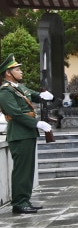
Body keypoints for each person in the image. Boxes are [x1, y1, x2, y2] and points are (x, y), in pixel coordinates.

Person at [0, 55, 53, 214]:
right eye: (17, 69)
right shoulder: (5, 91)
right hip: (19, 133)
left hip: (27, 133)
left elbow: (33, 94)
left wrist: (46, 96)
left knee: (28, 169)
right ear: (8, 73)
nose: (21, 72)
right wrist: (36, 123)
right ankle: (19, 203)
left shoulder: (18, 87)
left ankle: (25, 199)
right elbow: (15, 113)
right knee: (21, 170)